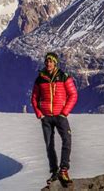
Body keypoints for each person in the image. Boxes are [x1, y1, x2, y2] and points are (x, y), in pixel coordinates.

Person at [31, 52, 78, 185]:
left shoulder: (64, 77)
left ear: (55, 62)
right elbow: (34, 98)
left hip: (60, 116)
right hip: (46, 117)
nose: (48, 63)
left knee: (67, 140)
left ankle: (63, 170)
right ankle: (54, 172)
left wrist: (64, 112)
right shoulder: (40, 78)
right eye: (47, 61)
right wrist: (39, 114)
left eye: (51, 61)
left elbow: (73, 95)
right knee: (49, 145)